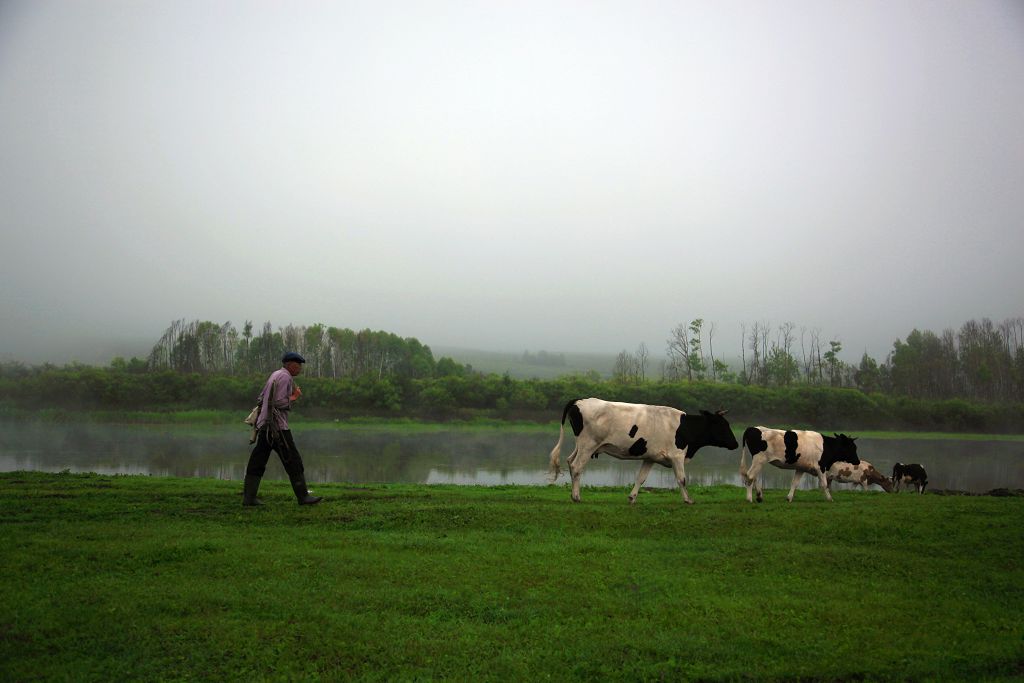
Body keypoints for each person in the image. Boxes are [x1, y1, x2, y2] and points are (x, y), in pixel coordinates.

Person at [242, 351, 322, 506]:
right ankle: (303, 497)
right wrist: (294, 396)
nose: (299, 368)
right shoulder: (285, 377)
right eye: (298, 365)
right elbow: (279, 402)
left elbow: (261, 397)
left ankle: (249, 497)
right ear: (290, 364)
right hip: (277, 427)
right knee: (293, 461)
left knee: (257, 461)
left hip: (265, 425)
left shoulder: (275, 374)